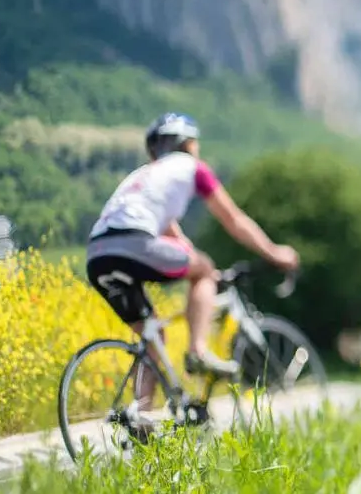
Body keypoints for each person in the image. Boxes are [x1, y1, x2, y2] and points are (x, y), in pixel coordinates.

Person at [84, 112, 300, 412]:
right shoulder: (192, 168)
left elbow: (172, 234)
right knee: (204, 270)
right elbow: (234, 219)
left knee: (153, 336)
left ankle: (140, 419)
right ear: (188, 144)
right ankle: (198, 351)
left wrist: (193, 259)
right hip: (134, 242)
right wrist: (275, 253)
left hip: (97, 254)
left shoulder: (144, 177)